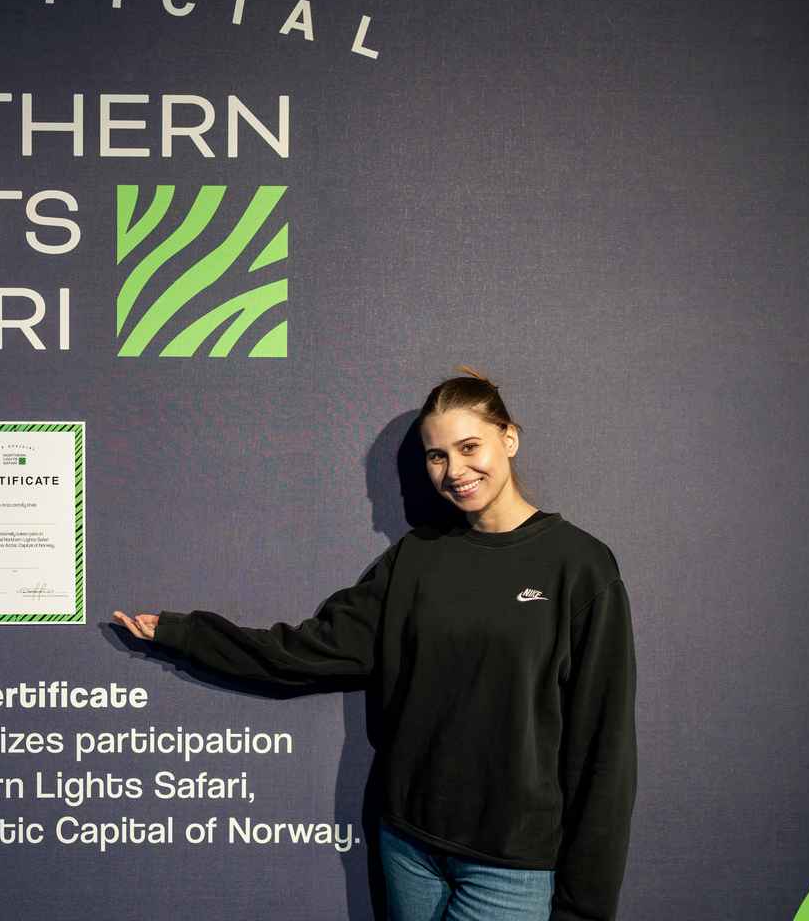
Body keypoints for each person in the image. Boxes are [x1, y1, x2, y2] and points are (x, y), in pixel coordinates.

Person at [114, 366, 637, 921]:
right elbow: (311, 649)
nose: (455, 471)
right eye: (437, 456)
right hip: (408, 846)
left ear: (508, 438)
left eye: (469, 447)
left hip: (508, 865)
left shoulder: (579, 566)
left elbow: (603, 746)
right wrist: (186, 634)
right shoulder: (418, 558)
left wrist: (584, 907)